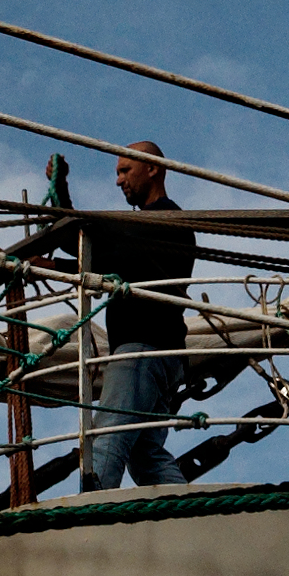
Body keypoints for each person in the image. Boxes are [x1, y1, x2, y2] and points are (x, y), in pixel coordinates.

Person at [78, 141, 197, 489]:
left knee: (109, 436)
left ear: (153, 168)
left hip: (142, 350)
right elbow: (105, 259)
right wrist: (47, 265)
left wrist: (63, 201)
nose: (118, 180)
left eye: (125, 170)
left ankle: (90, 519)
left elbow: (100, 246)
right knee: (144, 452)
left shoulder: (163, 221)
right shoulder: (144, 230)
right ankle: (186, 514)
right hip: (164, 355)